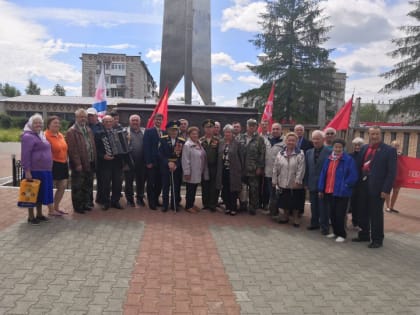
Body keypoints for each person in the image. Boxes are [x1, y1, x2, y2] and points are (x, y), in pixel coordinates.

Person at [352, 126, 397, 248]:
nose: (375, 136)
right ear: (369, 135)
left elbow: (391, 172)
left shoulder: (389, 150)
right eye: (372, 134)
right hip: (362, 186)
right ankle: (364, 235)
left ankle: (377, 239)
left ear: (380, 135)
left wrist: (386, 189)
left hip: (378, 188)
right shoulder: (364, 148)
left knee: (376, 214)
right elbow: (358, 166)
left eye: (377, 134)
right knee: (362, 212)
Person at [318, 139, 358, 242]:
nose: (338, 149)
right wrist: (321, 189)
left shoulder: (348, 160)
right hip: (329, 191)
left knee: (340, 214)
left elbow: (353, 175)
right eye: (336, 147)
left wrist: (345, 185)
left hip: (342, 192)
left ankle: (342, 234)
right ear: (333, 148)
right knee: (332, 214)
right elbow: (323, 174)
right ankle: (335, 232)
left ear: (343, 148)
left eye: (340, 147)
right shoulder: (329, 159)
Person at [21, 113, 54, 224]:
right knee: (32, 193)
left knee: (40, 193)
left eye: (40, 123)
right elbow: (25, 155)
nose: (38, 125)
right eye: (35, 123)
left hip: (45, 170)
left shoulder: (41, 135)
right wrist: (27, 171)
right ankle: (31, 217)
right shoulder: (27, 136)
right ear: (31, 124)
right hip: (35, 170)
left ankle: (39, 214)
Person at [66, 109, 97, 214]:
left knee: (87, 185)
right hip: (79, 164)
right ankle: (78, 206)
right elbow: (72, 150)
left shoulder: (88, 129)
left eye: (84, 117)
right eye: (81, 117)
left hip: (90, 161)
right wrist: (77, 163)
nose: (83, 119)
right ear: (76, 118)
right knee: (78, 186)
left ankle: (85, 204)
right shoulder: (72, 131)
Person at [272, 132, 306, 227]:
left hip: (295, 183)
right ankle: (285, 217)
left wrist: (298, 180)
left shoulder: (300, 153)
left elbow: (301, 168)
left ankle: (296, 219)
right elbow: (275, 168)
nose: (291, 142)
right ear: (285, 141)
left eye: (293, 140)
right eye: (289, 140)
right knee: (285, 201)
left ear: (296, 142)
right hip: (282, 181)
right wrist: (274, 180)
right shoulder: (280, 153)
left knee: (295, 202)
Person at [304, 130, 331, 234]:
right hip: (311, 183)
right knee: (313, 205)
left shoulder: (329, 153)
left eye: (318, 139)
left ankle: (324, 227)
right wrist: (306, 182)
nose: (315, 141)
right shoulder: (308, 152)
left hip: (324, 185)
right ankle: (314, 223)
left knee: (323, 207)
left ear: (323, 140)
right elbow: (307, 169)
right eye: (314, 138)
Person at [95, 115, 124, 210]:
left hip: (117, 162)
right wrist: (103, 156)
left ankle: (115, 201)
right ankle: (105, 202)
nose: (108, 123)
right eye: (106, 122)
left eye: (110, 121)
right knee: (105, 184)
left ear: (113, 122)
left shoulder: (119, 132)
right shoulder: (99, 134)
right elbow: (96, 150)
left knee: (117, 183)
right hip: (105, 163)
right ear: (103, 123)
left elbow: (124, 146)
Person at [238, 119, 266, 215]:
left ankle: (253, 207)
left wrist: (260, 167)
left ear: (256, 127)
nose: (251, 127)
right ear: (246, 126)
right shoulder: (240, 137)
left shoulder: (260, 139)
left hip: (253, 169)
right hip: (242, 168)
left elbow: (262, 154)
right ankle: (243, 205)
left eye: (253, 125)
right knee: (242, 188)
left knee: (254, 189)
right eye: (249, 125)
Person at [216, 124, 243, 216]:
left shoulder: (237, 143)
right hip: (223, 170)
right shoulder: (221, 142)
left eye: (229, 132)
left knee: (234, 190)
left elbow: (241, 157)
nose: (227, 134)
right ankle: (227, 207)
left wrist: (241, 169)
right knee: (225, 189)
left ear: (232, 133)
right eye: (226, 132)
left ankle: (233, 208)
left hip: (234, 171)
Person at [45, 116, 69, 216]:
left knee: (62, 186)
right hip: (52, 164)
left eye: (58, 123)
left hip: (63, 163)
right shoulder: (45, 135)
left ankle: (56, 207)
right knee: (50, 187)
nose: (57, 125)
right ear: (49, 124)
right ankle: (50, 210)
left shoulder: (60, 135)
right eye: (54, 123)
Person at [159, 120, 185, 212]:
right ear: (168, 130)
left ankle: (174, 204)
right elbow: (160, 154)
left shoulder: (182, 141)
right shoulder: (163, 139)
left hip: (176, 168)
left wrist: (176, 164)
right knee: (165, 186)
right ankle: (165, 205)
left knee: (176, 187)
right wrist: (168, 163)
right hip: (165, 167)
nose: (174, 132)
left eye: (175, 130)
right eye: (172, 130)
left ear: (178, 131)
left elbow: (183, 156)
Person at [182, 126, 208, 213]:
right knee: (190, 189)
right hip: (191, 172)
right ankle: (188, 206)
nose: (195, 135)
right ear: (189, 135)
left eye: (196, 133)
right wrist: (187, 172)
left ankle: (191, 204)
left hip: (198, 171)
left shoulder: (199, 143)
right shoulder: (187, 145)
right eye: (193, 134)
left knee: (194, 188)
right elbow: (185, 160)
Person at [264, 123, 285, 215]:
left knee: (278, 193)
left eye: (277, 129)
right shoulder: (267, 140)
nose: (275, 131)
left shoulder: (284, 142)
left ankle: (278, 211)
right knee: (271, 192)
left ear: (281, 130)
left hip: (280, 173)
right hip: (268, 172)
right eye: (273, 129)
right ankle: (273, 210)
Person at [143, 113, 164, 210]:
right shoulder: (148, 131)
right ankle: (151, 202)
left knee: (159, 183)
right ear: (154, 121)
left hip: (161, 163)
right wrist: (148, 162)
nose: (158, 121)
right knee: (151, 183)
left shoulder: (164, 132)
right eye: (157, 120)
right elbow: (146, 147)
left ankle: (156, 199)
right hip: (152, 162)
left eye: (160, 120)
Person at [125, 114, 146, 207]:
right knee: (129, 181)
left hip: (141, 161)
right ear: (130, 122)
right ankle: (129, 200)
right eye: (133, 120)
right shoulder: (125, 131)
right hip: (129, 161)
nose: (135, 122)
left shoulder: (144, 131)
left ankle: (140, 198)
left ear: (139, 122)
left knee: (141, 181)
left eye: (136, 120)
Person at [200, 119, 220, 212]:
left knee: (214, 186)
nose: (209, 129)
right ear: (204, 129)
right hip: (204, 167)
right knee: (205, 185)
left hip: (214, 166)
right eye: (207, 127)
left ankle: (213, 204)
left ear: (213, 129)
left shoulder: (218, 140)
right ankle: (206, 203)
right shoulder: (200, 140)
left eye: (211, 127)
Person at [349, 137, 365, 228]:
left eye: (359, 145)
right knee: (353, 203)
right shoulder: (350, 156)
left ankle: (360, 222)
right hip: (353, 183)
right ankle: (354, 222)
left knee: (361, 204)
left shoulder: (365, 156)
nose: (357, 147)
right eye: (356, 145)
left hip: (362, 183)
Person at [385, 140, 403, 213]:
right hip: (389, 175)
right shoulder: (387, 153)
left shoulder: (401, 155)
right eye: (394, 145)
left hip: (398, 176)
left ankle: (392, 207)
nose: (396, 147)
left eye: (397, 146)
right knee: (387, 191)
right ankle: (388, 206)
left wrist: (400, 156)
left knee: (396, 191)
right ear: (391, 146)